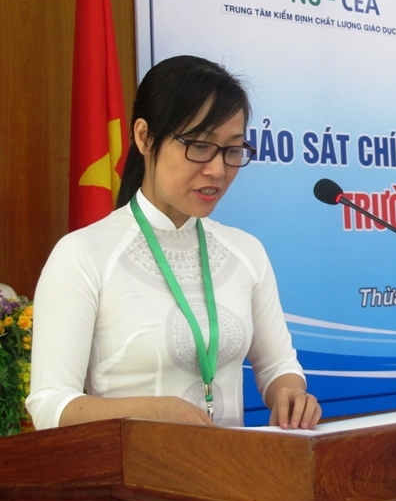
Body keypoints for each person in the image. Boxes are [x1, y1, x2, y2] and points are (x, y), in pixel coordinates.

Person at [27, 55, 321, 430]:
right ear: (144, 137)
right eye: (199, 146)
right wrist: (153, 412)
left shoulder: (246, 252)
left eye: (233, 150)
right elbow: (50, 405)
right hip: (131, 467)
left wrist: (289, 394)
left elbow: (278, 365)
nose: (217, 169)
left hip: (232, 464)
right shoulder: (83, 254)